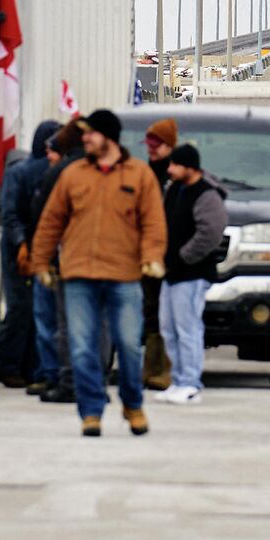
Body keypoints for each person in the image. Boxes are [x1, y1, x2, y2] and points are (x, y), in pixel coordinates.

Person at [28, 109, 166, 437]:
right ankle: (91, 411)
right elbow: (50, 222)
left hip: (124, 275)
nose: (85, 139)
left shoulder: (139, 175)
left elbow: (153, 222)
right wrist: (41, 263)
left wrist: (152, 256)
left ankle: (132, 404)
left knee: (130, 346)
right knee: (81, 347)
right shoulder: (73, 175)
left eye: (91, 134)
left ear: (109, 136)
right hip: (78, 274)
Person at [156, 145, 225, 405]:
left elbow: (210, 233)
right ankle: (177, 380)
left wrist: (184, 256)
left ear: (189, 167)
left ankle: (191, 383)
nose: (170, 169)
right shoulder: (174, 189)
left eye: (175, 165)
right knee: (168, 328)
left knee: (188, 328)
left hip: (192, 274)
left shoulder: (206, 195)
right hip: (171, 273)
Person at [0, 120, 60, 392]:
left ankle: (33, 367)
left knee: (40, 310)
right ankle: (9, 367)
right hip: (19, 249)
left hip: (43, 247)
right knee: (20, 308)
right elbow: (10, 215)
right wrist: (22, 245)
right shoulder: (19, 172)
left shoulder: (56, 170)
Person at [31, 121, 89, 405]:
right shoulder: (102, 170)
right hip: (96, 257)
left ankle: (63, 379)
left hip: (64, 257)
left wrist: (40, 257)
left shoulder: (60, 174)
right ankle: (90, 378)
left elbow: (43, 217)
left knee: (60, 323)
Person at [140, 118, 180, 392]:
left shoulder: (175, 175)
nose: (151, 150)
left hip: (169, 253)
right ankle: (151, 368)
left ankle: (163, 370)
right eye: (150, 145)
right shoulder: (144, 174)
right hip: (143, 252)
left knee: (166, 314)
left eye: (157, 145)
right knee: (150, 311)